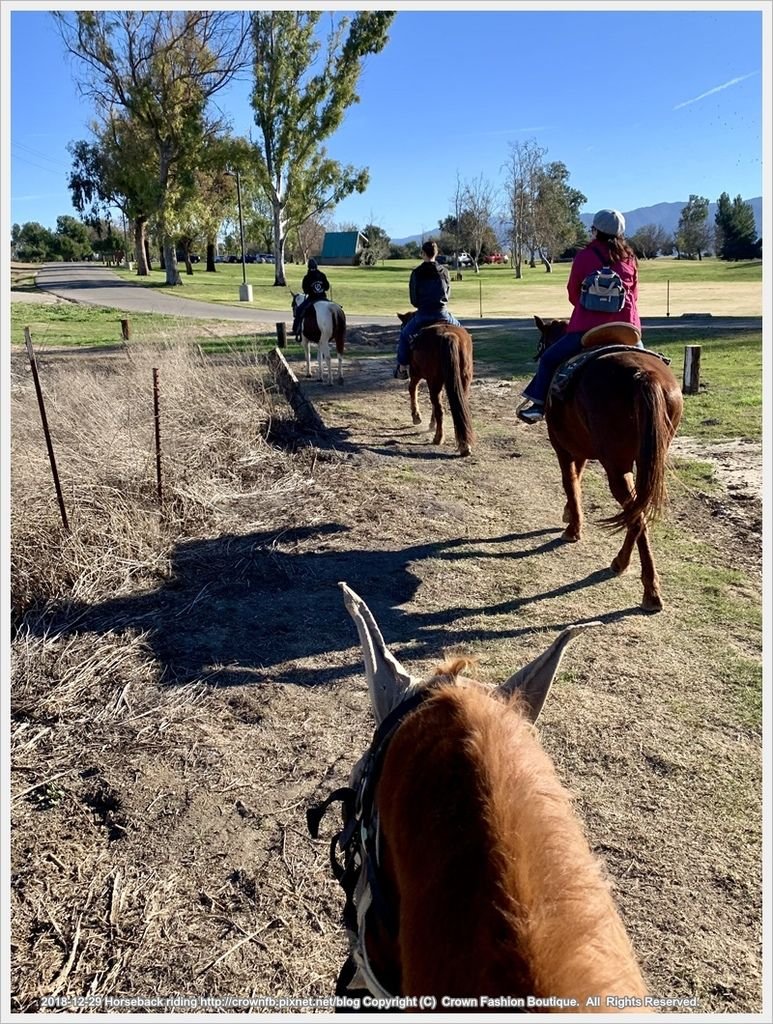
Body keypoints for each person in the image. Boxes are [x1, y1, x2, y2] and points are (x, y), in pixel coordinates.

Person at [518, 209, 642, 423]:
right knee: (650, 364)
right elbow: (635, 295)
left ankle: (538, 405)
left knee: (548, 359)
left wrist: (592, 309)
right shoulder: (629, 259)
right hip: (626, 328)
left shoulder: (584, 257)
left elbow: (573, 293)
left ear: (595, 231)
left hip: (588, 329)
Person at [394, 240, 461, 378]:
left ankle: (402, 367)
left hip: (423, 314)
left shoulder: (417, 273)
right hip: (443, 313)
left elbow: (414, 300)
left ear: (423, 254)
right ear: (436, 253)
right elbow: (447, 294)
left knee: (404, 336)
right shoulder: (445, 272)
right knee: (463, 332)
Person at [292, 258, 331, 340]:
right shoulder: (322, 275)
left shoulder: (307, 277)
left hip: (312, 299)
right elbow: (327, 287)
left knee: (299, 310)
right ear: (316, 266)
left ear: (308, 267)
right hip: (323, 298)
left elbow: (305, 290)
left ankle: (296, 329)